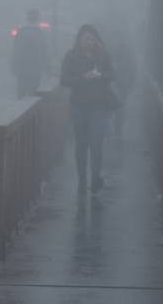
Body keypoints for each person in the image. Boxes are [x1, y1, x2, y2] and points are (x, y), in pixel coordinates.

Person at [61, 24, 118, 195]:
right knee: (81, 144)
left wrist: (100, 75)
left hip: (100, 106)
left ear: (96, 40)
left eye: (92, 39)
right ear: (79, 39)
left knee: (97, 142)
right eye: (86, 38)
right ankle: (82, 178)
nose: (89, 42)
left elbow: (113, 75)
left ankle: (95, 179)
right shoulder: (71, 56)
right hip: (79, 106)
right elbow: (64, 80)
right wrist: (82, 78)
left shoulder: (103, 55)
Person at [10, 8, 51, 98]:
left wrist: (14, 65)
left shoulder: (21, 32)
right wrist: (47, 67)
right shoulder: (40, 32)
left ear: (27, 18)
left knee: (21, 92)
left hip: (22, 67)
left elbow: (16, 50)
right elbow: (45, 51)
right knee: (34, 93)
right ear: (37, 18)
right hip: (36, 67)